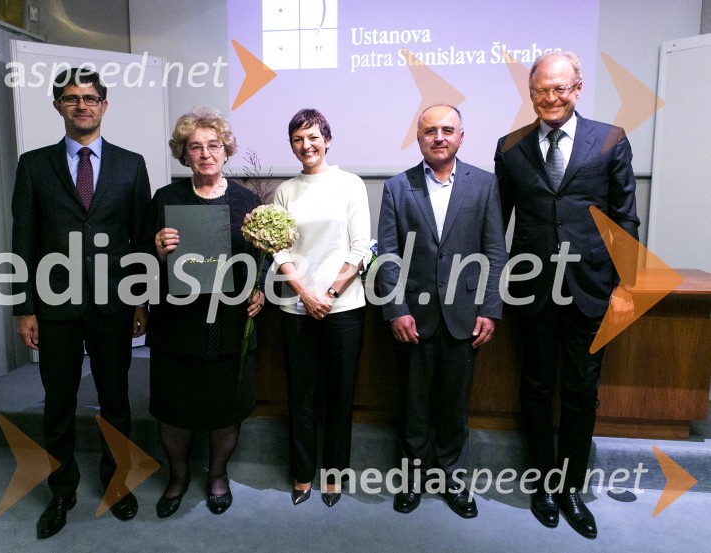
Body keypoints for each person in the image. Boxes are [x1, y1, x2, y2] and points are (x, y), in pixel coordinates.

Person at [494, 51, 640, 539]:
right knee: (535, 388)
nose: (551, 98)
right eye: (541, 90)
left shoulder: (611, 139)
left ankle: (571, 488)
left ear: (578, 88)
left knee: (581, 392)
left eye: (560, 88)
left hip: (590, 289)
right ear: (530, 93)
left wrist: (627, 286)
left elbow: (625, 217)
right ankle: (541, 485)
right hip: (531, 290)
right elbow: (498, 223)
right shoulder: (510, 147)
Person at [12, 68, 151, 539]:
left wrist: (140, 302)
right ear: (58, 106)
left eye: (90, 98)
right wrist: (24, 308)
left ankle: (117, 483)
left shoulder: (131, 165)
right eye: (71, 98)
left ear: (104, 105)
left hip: (115, 305)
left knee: (116, 402)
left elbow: (140, 242)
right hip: (55, 306)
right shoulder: (34, 165)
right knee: (58, 403)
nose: (82, 106)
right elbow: (22, 241)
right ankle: (61, 490)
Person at [378, 104, 507, 518]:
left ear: (461, 137)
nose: (439, 137)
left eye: (447, 130)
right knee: (413, 406)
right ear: (418, 138)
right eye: (430, 130)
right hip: (412, 318)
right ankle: (412, 480)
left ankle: (453, 480)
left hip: (465, 316)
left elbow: (495, 251)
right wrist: (396, 309)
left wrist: (490, 308)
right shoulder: (398, 187)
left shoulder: (484, 184)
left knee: (455, 407)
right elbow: (389, 255)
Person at [145, 107, 264, 518]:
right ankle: (177, 477)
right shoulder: (166, 199)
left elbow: (261, 259)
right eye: (195, 147)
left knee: (225, 406)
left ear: (226, 150)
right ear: (184, 154)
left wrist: (261, 291)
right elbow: (140, 263)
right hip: (177, 321)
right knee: (174, 406)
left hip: (229, 322)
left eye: (213, 145)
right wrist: (157, 252)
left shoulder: (247, 201)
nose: (205, 154)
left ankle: (217, 475)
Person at [272, 109, 371, 508]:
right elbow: (279, 249)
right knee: (301, 396)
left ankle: (334, 475)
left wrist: (328, 294)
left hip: (343, 308)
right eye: (298, 139)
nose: (306, 145)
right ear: (292, 145)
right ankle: (302, 473)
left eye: (313, 137)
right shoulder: (285, 191)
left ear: (327, 140)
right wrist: (305, 293)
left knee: (339, 396)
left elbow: (360, 248)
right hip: (295, 308)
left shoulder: (350, 184)